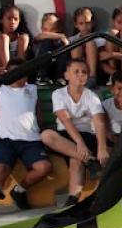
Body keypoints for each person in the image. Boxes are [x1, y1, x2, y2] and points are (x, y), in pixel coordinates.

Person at [41, 59, 110, 206]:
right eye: (76, 72)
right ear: (66, 75)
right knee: (46, 135)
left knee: (76, 159)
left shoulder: (91, 96)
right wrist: (79, 143)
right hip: (65, 135)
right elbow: (66, 121)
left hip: (87, 134)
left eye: (84, 72)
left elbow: (99, 122)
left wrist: (102, 148)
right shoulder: (58, 94)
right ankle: (91, 161)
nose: (80, 75)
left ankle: (72, 199)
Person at [0, 70, 50, 219]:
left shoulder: (32, 89)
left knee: (44, 167)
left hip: (31, 140)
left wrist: (43, 130)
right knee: (1, 169)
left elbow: (38, 113)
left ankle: (19, 191)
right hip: (4, 139)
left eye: (23, 72)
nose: (20, 76)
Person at [0, 5, 30, 79]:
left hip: (17, 71)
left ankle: (16, 72)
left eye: (16, 19)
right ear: (1, 20)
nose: (12, 22)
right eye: (9, 18)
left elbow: (23, 58)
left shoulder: (22, 38)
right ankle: (8, 70)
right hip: (1, 70)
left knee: (24, 37)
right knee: (4, 38)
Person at [29, 11, 70, 83]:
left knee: (63, 46)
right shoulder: (39, 38)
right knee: (46, 42)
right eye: (46, 29)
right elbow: (42, 35)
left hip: (57, 69)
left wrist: (63, 40)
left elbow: (67, 44)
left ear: (58, 29)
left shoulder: (61, 42)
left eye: (53, 29)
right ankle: (42, 77)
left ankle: (60, 78)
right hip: (42, 69)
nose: (49, 32)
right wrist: (61, 36)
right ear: (41, 28)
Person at [68, 8, 100, 85]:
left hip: (96, 67)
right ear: (76, 25)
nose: (85, 26)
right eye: (81, 23)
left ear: (92, 23)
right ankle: (77, 75)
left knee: (90, 42)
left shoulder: (99, 38)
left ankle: (91, 78)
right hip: (79, 65)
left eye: (88, 23)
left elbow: (103, 54)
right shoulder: (72, 39)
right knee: (76, 44)